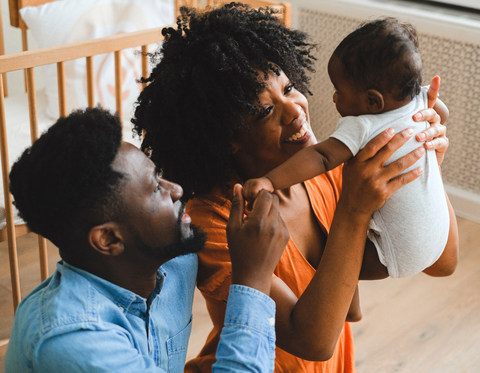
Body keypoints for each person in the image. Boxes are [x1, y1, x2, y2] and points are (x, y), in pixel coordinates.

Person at [132, 4, 458, 372]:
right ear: (227, 139)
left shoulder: (323, 169)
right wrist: (353, 209)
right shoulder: (214, 221)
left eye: (289, 88)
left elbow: (442, 262)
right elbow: (312, 341)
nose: (296, 110)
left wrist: (424, 161)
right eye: (265, 111)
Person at [4, 107, 290, 373]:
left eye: (161, 176)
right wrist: (253, 278)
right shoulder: (72, 338)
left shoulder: (174, 262)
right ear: (108, 239)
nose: (176, 190)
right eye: (156, 188)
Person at [243, 17, 454, 279]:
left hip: (396, 252)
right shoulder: (420, 99)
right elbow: (441, 112)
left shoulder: (363, 126)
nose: (334, 97)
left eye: (339, 90)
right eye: (266, 110)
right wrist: (430, 114)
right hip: (437, 233)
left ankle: (339, 292)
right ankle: (350, 306)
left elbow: (321, 156)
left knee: (337, 261)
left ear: (372, 102)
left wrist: (268, 181)